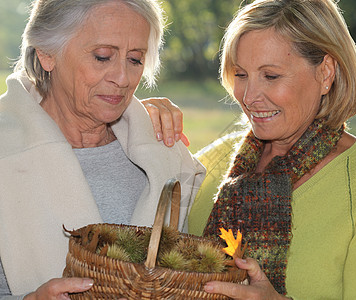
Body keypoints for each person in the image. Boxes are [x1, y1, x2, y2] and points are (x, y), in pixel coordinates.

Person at [179, 0, 356, 299]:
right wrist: (140, 125)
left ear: (326, 72)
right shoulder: (212, 163)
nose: (249, 97)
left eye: (271, 76)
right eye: (240, 74)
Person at [0, 0, 205, 299]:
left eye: (135, 60)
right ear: (46, 54)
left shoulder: (166, 153)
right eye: (102, 56)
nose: (122, 79)